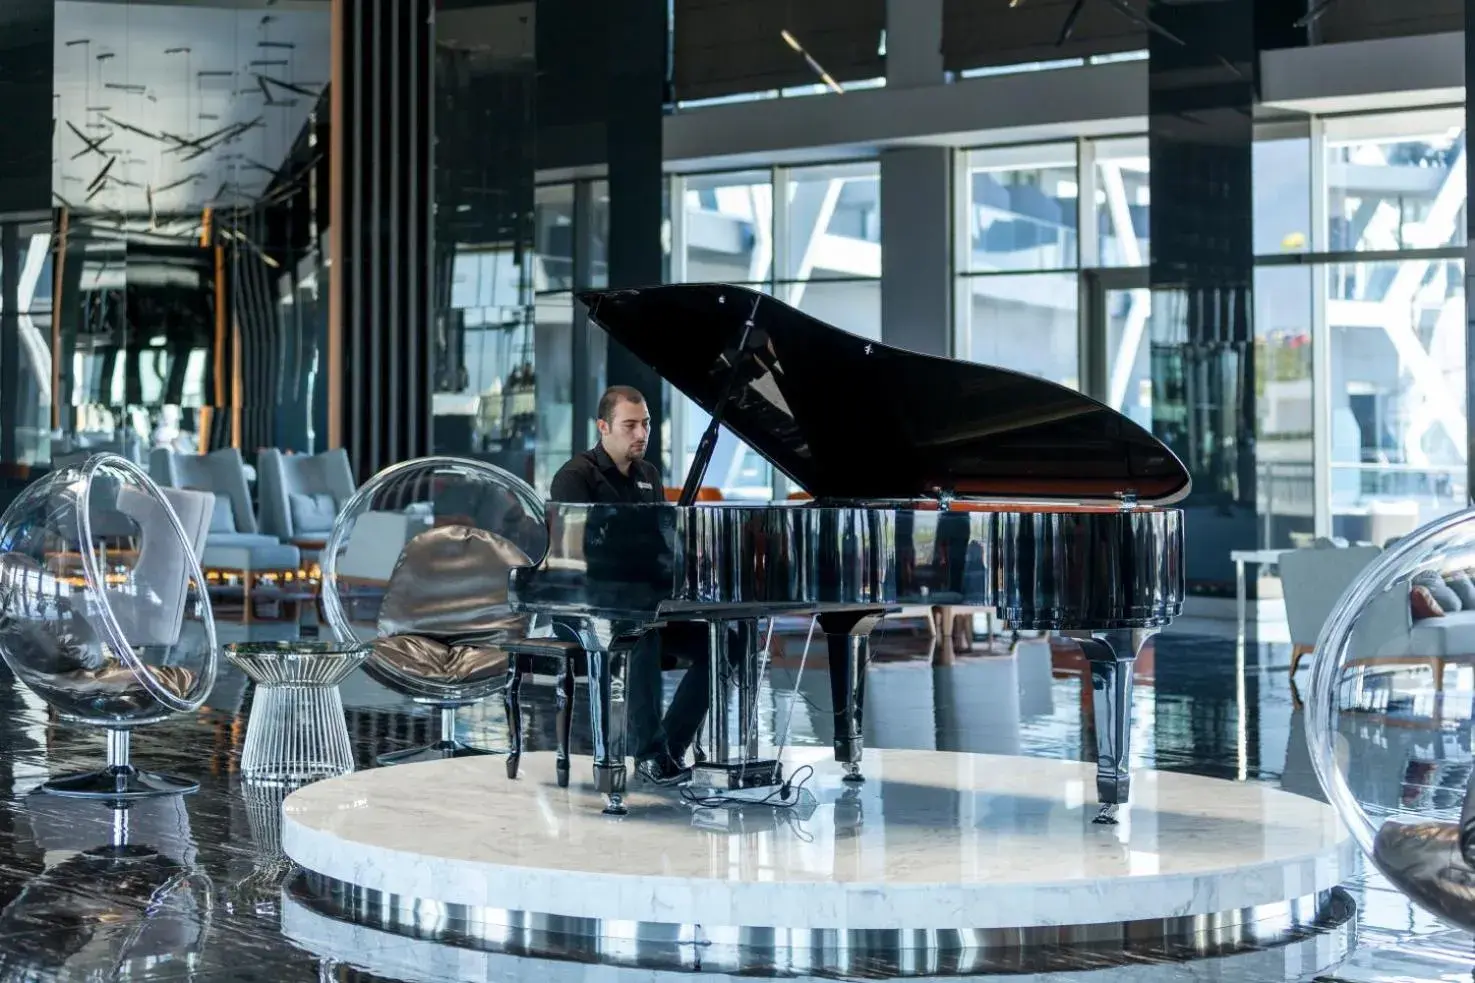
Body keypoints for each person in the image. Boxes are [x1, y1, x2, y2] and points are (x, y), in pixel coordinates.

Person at [549, 385, 709, 786]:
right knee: (643, 629)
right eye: (630, 425)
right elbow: (577, 559)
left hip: (641, 604)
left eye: (647, 424)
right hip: (583, 610)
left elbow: (658, 544)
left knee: (726, 643)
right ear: (603, 427)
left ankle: (669, 746)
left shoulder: (648, 476)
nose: (641, 434)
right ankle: (651, 755)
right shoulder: (574, 477)